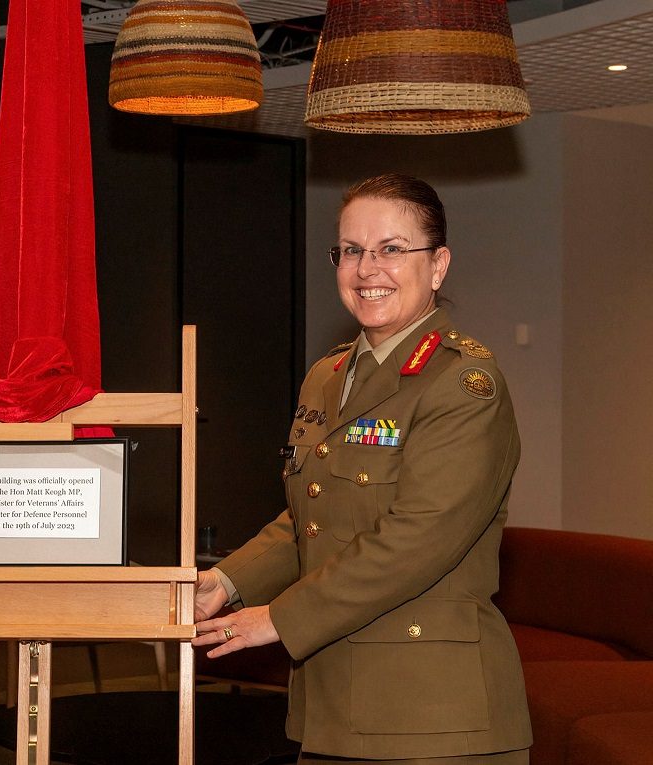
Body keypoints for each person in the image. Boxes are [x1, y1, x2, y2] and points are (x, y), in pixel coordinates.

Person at [193, 174, 532, 764]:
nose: (367, 268)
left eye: (392, 249)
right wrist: (224, 583)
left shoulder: (463, 384)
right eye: (351, 250)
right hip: (333, 705)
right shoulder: (328, 376)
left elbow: (418, 539)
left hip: (432, 714)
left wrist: (278, 618)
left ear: (439, 264)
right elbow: (312, 516)